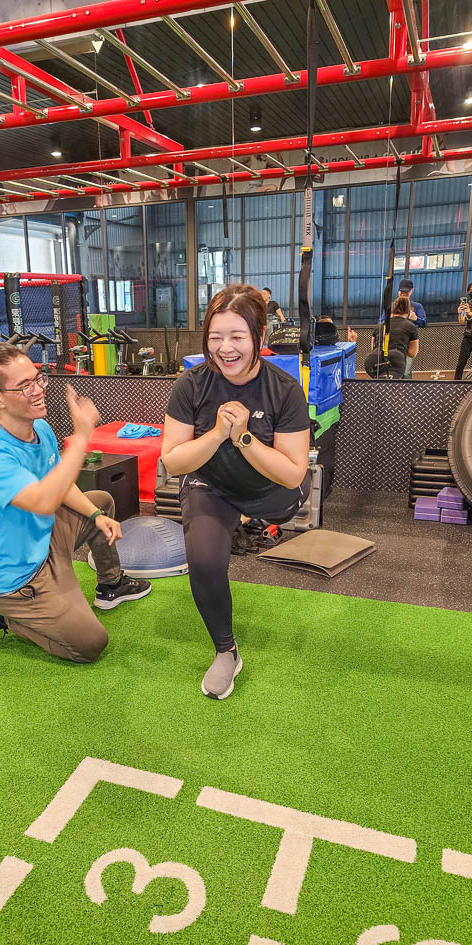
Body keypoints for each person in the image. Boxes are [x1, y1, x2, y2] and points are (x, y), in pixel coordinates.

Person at [162, 285, 311, 700]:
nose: (225, 348)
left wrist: (243, 436)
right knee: (205, 562)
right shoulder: (191, 385)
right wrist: (216, 434)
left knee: (285, 501)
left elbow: (292, 473)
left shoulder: (284, 389)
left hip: (271, 491)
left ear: (259, 336)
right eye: (215, 337)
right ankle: (226, 651)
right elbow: (173, 461)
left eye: (237, 336)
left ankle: (244, 517)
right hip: (211, 485)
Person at [0, 343, 151, 659]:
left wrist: (96, 516)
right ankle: (3, 615)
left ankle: (111, 585)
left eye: (38, 379)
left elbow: (61, 485)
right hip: (16, 580)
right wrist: (81, 438)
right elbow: (44, 501)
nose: (38, 390)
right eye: (24, 386)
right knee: (91, 644)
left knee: (100, 502)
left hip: (46, 543)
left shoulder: (40, 428)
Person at [379, 279, 426, 379]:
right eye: (402, 292)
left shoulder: (416, 306)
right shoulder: (391, 305)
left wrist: (416, 319)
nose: (404, 294)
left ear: (411, 291)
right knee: (388, 370)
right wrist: (391, 318)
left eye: (406, 292)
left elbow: (423, 323)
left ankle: (405, 388)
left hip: (407, 343)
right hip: (391, 342)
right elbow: (381, 322)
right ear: (398, 291)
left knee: (406, 372)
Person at [365, 294, 419, 379]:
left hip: (373, 360)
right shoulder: (411, 326)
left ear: (393, 310)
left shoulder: (379, 326)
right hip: (396, 361)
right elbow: (412, 353)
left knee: (378, 382)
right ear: (409, 311)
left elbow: (373, 348)